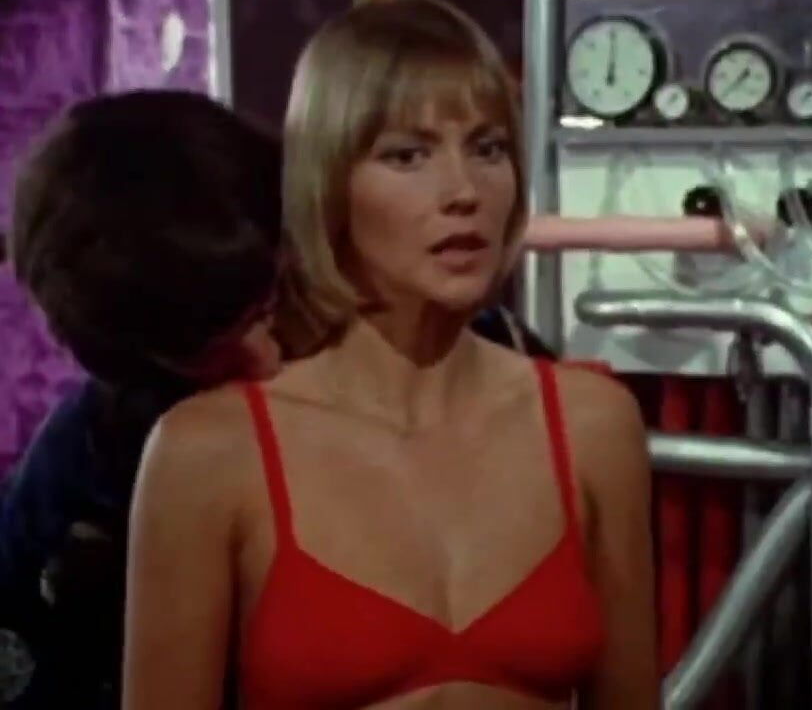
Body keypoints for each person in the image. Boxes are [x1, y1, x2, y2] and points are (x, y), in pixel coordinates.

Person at [123, 0, 657, 710]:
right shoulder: (210, 454)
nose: (463, 192)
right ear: (328, 183)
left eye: (488, 148)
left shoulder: (594, 424)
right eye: (407, 155)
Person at [0, 89, 550, 709]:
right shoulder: (88, 474)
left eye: (270, 307)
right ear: (140, 361)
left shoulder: (475, 359)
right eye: (209, 353)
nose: (263, 358)